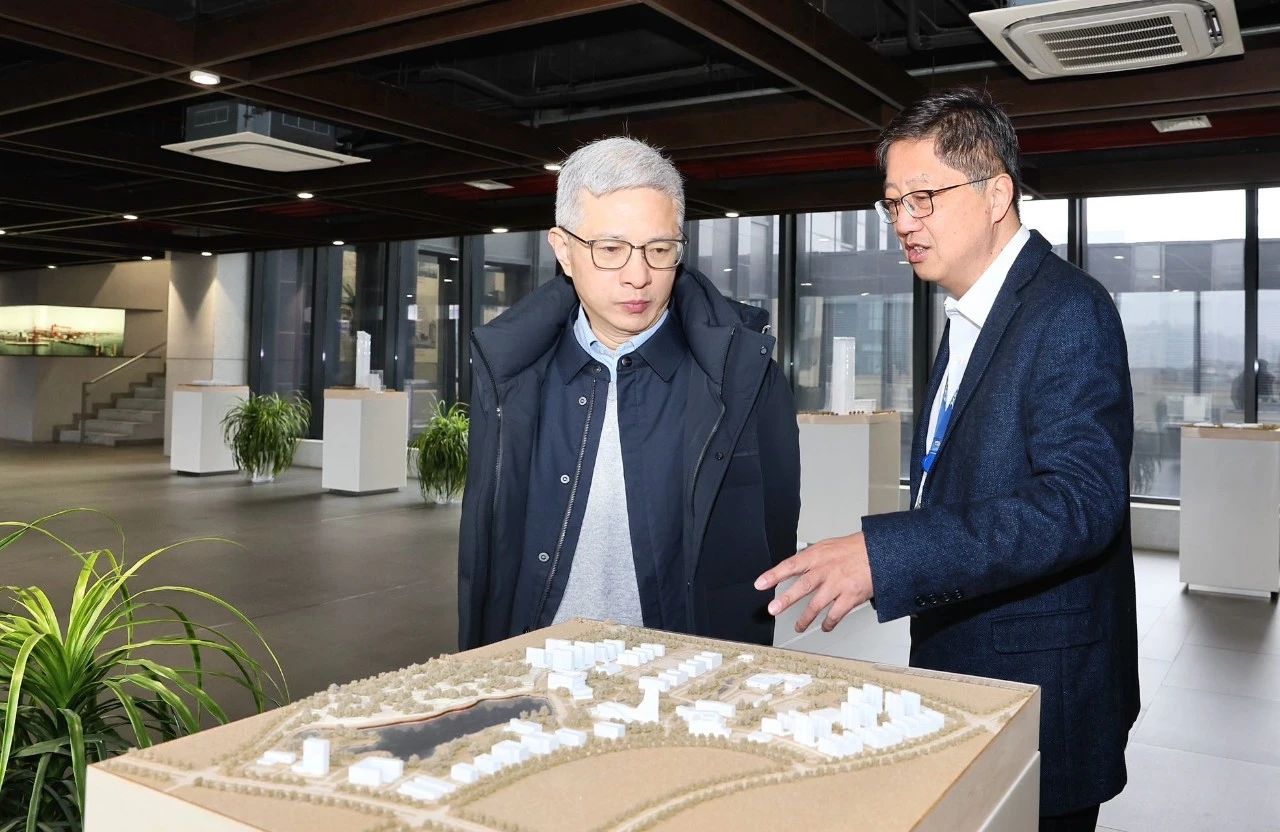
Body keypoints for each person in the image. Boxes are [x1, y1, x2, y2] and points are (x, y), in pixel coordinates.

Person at [756, 88, 1138, 831]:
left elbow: (1080, 505)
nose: (904, 221)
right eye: (893, 203)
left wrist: (888, 555)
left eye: (924, 198)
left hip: (1041, 686)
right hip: (971, 663)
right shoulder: (970, 311)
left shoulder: (1068, 309)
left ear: (998, 194)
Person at [458, 136, 800, 651]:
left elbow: (771, 538)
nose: (638, 277)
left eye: (659, 250)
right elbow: (487, 549)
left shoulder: (743, 377)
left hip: (685, 674)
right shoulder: (510, 375)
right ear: (563, 250)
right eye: (611, 250)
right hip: (537, 664)